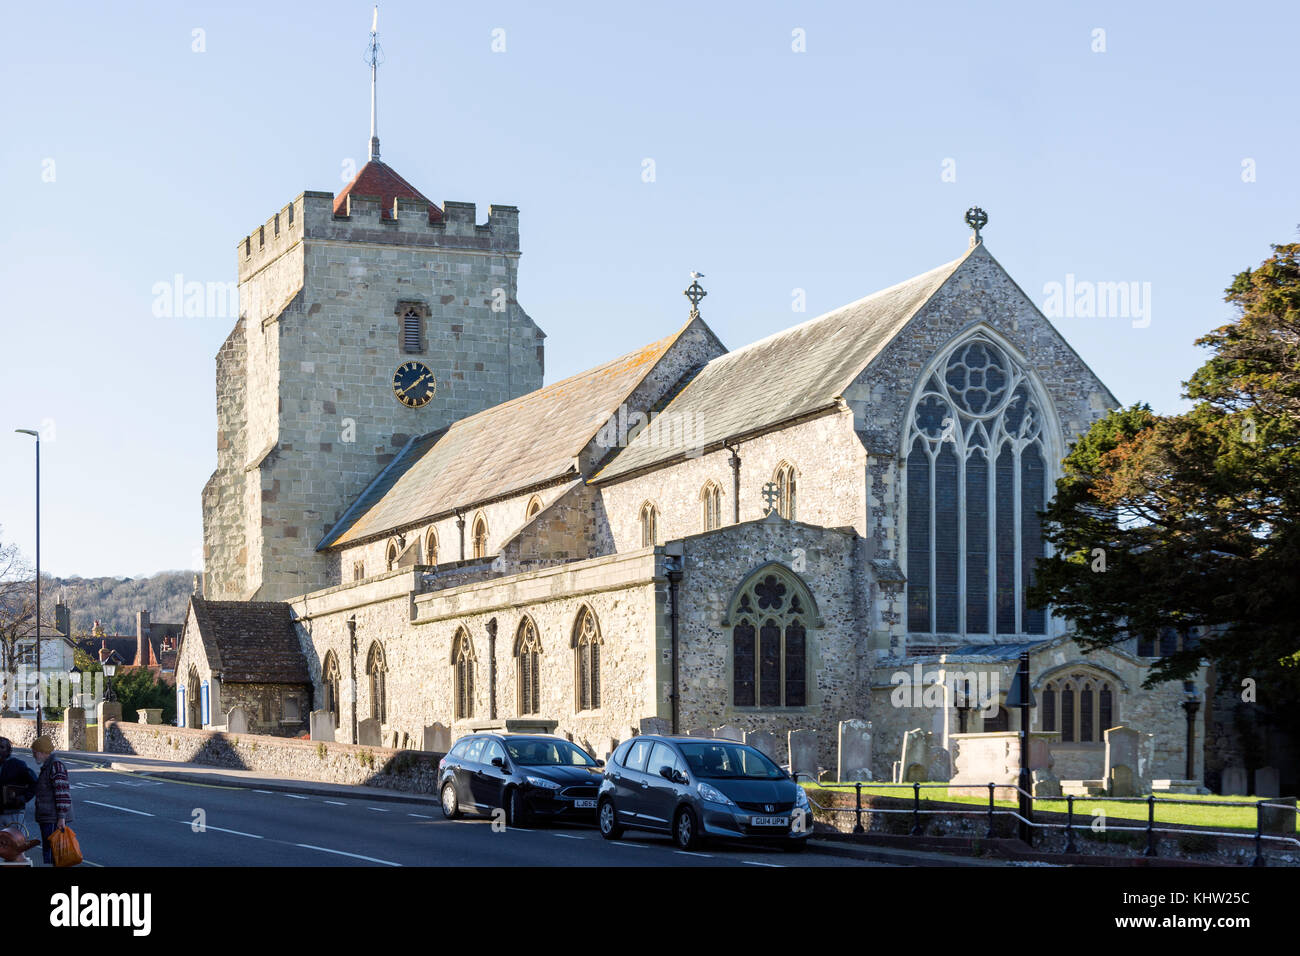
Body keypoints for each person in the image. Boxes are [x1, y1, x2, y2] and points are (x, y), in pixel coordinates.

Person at [31, 736, 73, 865]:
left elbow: (62, 793)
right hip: (48, 817)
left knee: (57, 854)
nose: (33, 755)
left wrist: (61, 817)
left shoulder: (56, 766)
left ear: (42, 752)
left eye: (34, 752)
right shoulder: (49, 765)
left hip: (53, 818)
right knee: (54, 854)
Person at [0, 737, 38, 830]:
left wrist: (23, 798)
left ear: (9, 751)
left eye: (2, 747)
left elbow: (34, 783)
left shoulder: (18, 765)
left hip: (14, 813)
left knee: (16, 843)